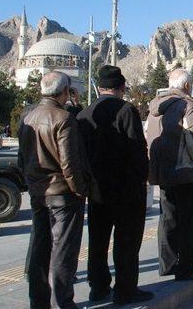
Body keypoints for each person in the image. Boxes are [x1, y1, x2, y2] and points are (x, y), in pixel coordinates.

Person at [76, 66, 152, 304]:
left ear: (99, 88)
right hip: (126, 188)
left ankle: (98, 287)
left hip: (97, 189)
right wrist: (142, 179)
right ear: (121, 88)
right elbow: (137, 149)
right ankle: (125, 289)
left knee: (98, 240)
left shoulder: (84, 114)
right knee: (126, 241)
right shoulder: (126, 110)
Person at [18, 71, 94, 309]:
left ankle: (38, 302)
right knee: (63, 251)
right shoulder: (63, 118)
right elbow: (69, 163)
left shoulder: (27, 117)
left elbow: (22, 159)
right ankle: (63, 302)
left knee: (40, 249)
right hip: (62, 194)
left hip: (38, 193)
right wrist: (80, 190)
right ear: (64, 92)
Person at [148, 69, 193, 281]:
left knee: (168, 220)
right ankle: (186, 268)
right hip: (186, 172)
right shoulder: (188, 106)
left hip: (163, 172)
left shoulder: (154, 109)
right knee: (189, 221)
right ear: (187, 86)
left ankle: (167, 264)